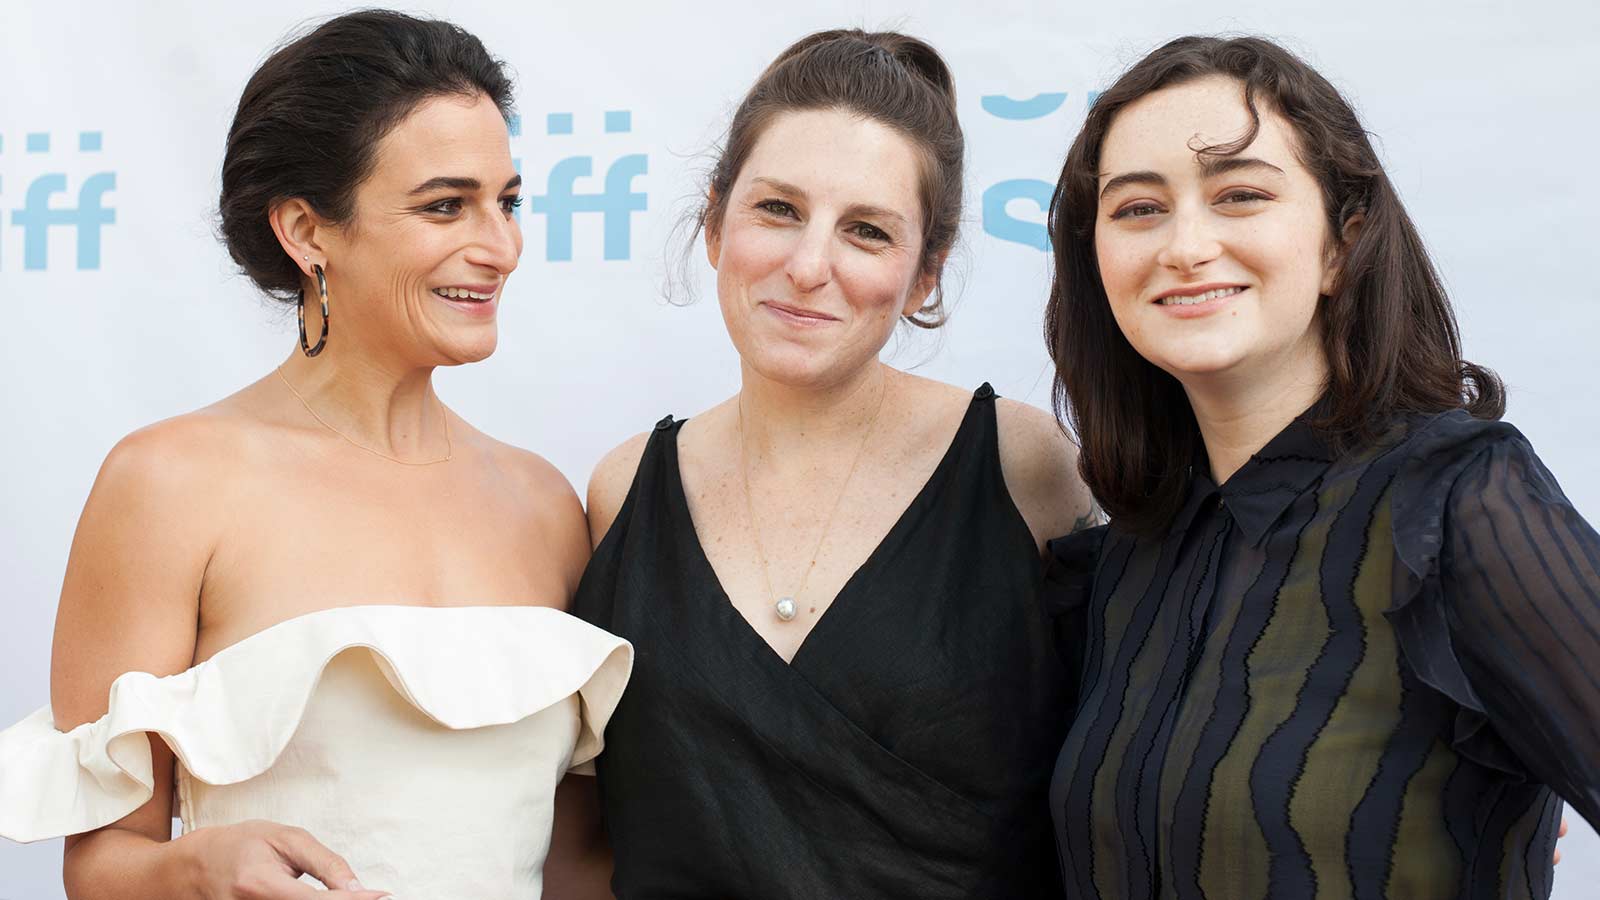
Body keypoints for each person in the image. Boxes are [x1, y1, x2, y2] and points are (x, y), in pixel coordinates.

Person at [0, 11, 629, 899]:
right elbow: (102, 864)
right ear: (306, 230)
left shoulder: (544, 504)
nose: (501, 247)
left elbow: (573, 862)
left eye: (509, 201)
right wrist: (198, 866)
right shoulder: (170, 484)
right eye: (446, 205)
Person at [1042, 35, 1598, 898]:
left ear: (1344, 242)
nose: (1185, 245)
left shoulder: (1456, 501)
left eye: (1241, 195)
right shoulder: (1122, 562)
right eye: (1138, 209)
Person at [574, 28, 1096, 899]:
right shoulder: (622, 489)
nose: (809, 266)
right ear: (713, 224)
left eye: (866, 230)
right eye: (777, 209)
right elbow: (583, 834)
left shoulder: (1026, 467)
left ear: (924, 274)